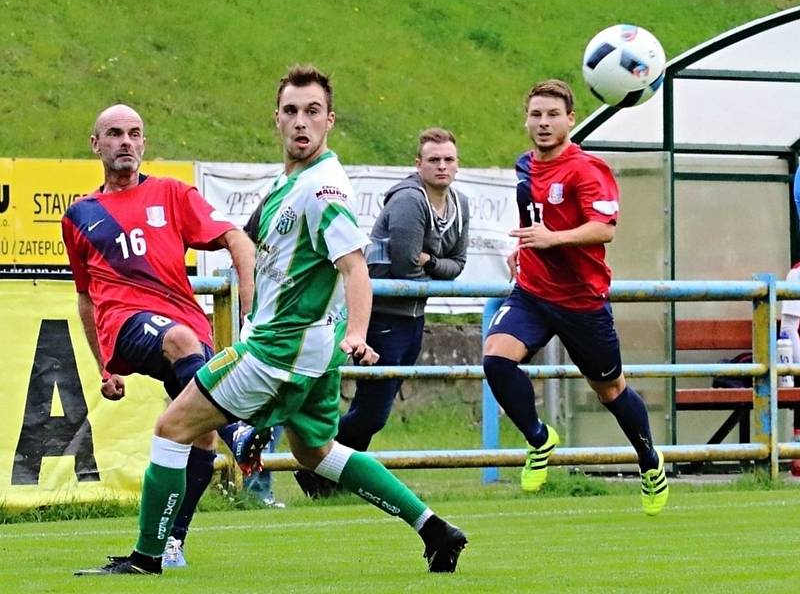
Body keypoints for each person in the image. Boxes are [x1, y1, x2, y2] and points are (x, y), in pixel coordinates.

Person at [74, 64, 467, 577]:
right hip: (311, 353)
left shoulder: (323, 189)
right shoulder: (291, 183)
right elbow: (252, 237)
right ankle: (435, 530)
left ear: (329, 121)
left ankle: (150, 556)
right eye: (291, 111)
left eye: (312, 112)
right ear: (277, 119)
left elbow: (354, 267)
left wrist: (357, 332)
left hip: (277, 350)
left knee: (173, 428)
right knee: (317, 453)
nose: (300, 122)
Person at [61, 104, 265, 569]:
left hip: (186, 325)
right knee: (179, 341)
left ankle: (168, 545)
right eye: (114, 134)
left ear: (145, 144)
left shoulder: (173, 194)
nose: (126, 142)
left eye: (135, 134)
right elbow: (86, 298)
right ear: (97, 144)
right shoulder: (80, 216)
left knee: (197, 435)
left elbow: (236, 237)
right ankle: (239, 429)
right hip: (129, 325)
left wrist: (249, 296)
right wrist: (103, 366)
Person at [481, 79, 669, 516]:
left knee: (610, 390)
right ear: (526, 119)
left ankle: (649, 461)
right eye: (536, 115)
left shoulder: (587, 169)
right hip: (532, 292)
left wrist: (553, 239)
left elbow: (604, 228)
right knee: (496, 359)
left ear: (570, 119)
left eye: (552, 115)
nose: (543, 123)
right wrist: (524, 248)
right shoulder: (524, 166)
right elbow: (537, 219)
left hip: (582, 300)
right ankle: (539, 438)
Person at [294, 127, 469, 498]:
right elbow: (407, 266)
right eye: (433, 159)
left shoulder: (460, 204)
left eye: (448, 160)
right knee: (372, 411)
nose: (441, 166)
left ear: (457, 164)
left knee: (375, 412)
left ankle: (332, 479)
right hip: (385, 313)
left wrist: (432, 261)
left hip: (414, 316)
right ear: (417, 163)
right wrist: (437, 265)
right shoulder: (408, 200)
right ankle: (314, 465)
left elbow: (460, 263)